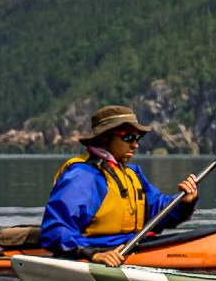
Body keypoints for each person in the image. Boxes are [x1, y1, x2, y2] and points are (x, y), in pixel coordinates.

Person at [37, 106, 198, 260]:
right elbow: (56, 229)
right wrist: (92, 254)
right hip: (98, 251)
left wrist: (184, 202)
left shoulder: (132, 173)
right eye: (128, 137)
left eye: (137, 138)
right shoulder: (84, 176)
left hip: (135, 246)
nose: (135, 144)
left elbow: (158, 211)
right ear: (105, 137)